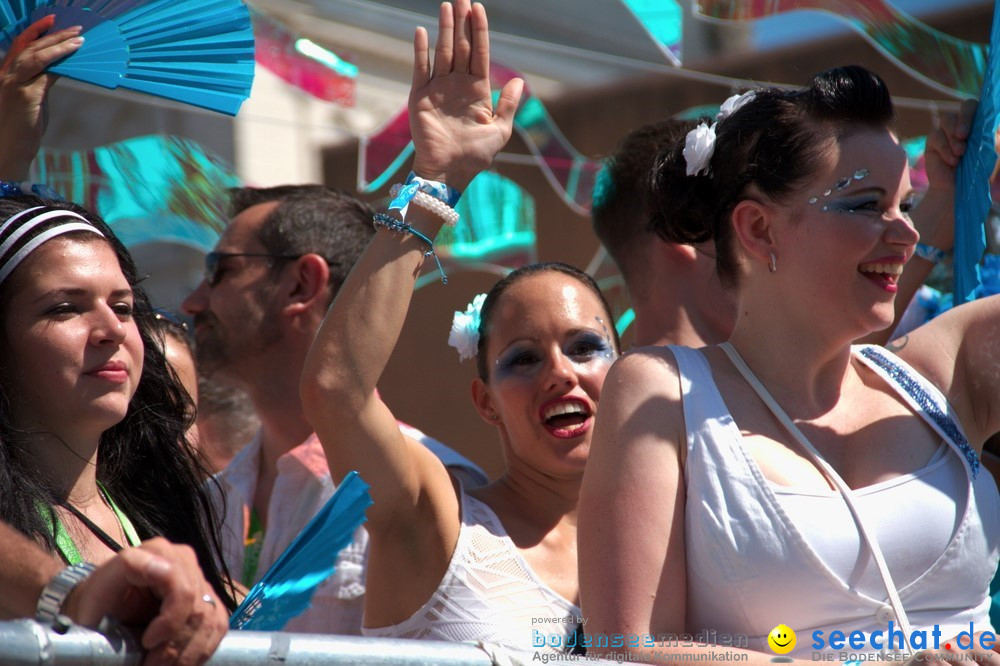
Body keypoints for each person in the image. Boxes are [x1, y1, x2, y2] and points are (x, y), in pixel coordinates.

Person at [578, 66, 1000, 664]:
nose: (906, 232)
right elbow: (625, 649)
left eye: (906, 204)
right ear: (757, 228)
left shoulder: (946, 368)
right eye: (864, 203)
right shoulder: (662, 393)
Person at [300, 0, 618, 652]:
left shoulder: (681, 539)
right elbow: (336, 388)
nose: (560, 372)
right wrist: (434, 181)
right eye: (523, 359)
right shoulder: (435, 521)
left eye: (585, 347)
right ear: (485, 402)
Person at [181, 184, 487, 633]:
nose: (192, 302)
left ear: (302, 284)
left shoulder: (434, 491)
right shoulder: (210, 501)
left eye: (219, 270)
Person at [0, 197, 236, 663]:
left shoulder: (160, 512)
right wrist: (67, 595)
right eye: (65, 308)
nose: (113, 329)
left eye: (124, 307)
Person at [590, 110, 969, 349]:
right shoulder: (641, 406)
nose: (761, 240)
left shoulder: (782, 373)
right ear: (682, 235)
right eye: (735, 220)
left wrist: (945, 198)